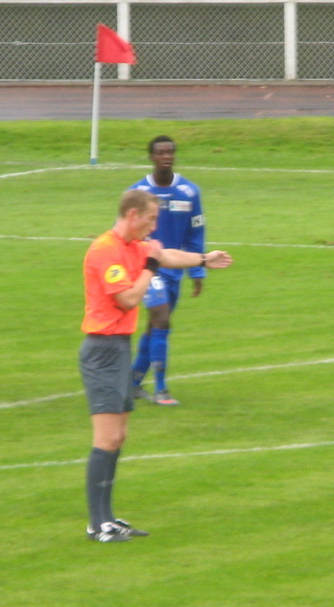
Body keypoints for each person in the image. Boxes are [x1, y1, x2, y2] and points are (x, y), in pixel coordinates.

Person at [79, 189, 232, 542]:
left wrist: (204, 259)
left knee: (118, 437)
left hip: (118, 348)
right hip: (101, 351)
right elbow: (128, 298)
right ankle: (95, 523)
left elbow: (167, 255)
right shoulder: (106, 250)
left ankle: (108, 518)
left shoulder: (137, 246)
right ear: (132, 215)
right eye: (149, 219)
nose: (153, 226)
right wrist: (149, 267)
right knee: (105, 438)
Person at [130, 136, 207, 406]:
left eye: (170, 152)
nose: (167, 157)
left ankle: (132, 382)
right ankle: (161, 389)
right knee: (161, 319)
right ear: (151, 157)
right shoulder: (138, 194)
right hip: (147, 269)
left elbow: (196, 233)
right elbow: (127, 233)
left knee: (154, 327)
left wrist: (198, 272)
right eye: (161, 153)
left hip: (175, 266)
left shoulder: (189, 192)